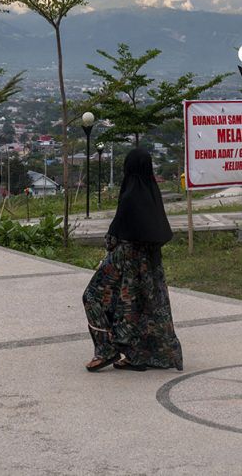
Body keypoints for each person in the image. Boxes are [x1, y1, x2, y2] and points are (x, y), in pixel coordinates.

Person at [82, 148, 183, 373]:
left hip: (123, 262)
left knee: (92, 296)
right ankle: (136, 356)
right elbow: (162, 234)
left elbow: (113, 237)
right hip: (148, 268)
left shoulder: (129, 196)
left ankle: (105, 349)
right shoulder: (152, 194)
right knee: (138, 308)